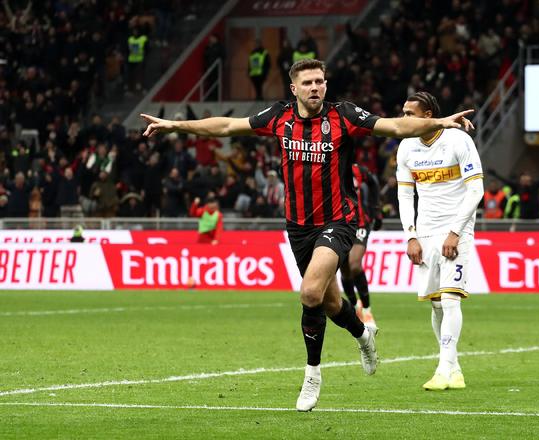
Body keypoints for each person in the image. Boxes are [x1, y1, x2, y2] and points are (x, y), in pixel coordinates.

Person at [140, 58, 474, 411]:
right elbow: (226, 125)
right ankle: (363, 334)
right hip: (298, 226)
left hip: (338, 220)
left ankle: (312, 375)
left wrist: (440, 122)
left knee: (310, 291)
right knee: (328, 302)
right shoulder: (279, 116)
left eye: (320, 81)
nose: (315, 87)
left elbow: (394, 126)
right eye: (308, 82)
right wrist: (175, 124)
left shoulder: (344, 115)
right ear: (294, 88)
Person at [396, 91, 483, 392]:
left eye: (410, 113)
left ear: (428, 115)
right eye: (403, 113)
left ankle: (443, 368)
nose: (404, 118)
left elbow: (476, 191)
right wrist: (411, 235)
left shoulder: (458, 140)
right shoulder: (406, 146)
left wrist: (456, 232)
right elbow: (405, 194)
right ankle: (454, 369)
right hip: (425, 232)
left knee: (450, 299)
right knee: (435, 304)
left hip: (457, 229)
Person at [340, 163, 382, 331]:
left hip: (359, 224)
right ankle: (354, 306)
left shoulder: (357, 169)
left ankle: (367, 309)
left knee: (355, 265)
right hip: (338, 225)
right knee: (345, 270)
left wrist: (376, 209)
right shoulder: (326, 167)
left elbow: (373, 183)